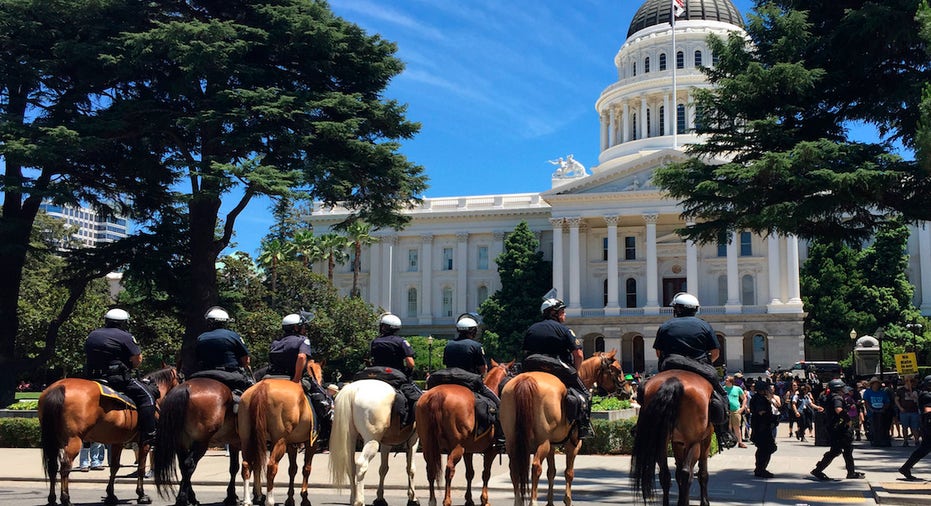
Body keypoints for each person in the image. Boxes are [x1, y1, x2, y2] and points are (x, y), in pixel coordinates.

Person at [653, 292, 736, 449]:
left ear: (676, 309)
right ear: (695, 309)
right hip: (700, 365)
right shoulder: (704, 325)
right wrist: (704, 364)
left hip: (671, 365)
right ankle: (723, 432)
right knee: (721, 395)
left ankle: (641, 426)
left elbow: (659, 353)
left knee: (646, 391)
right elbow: (715, 352)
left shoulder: (665, 326)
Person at [84, 308, 158, 446]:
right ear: (123, 323)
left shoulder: (93, 334)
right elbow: (137, 359)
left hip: (92, 377)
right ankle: (150, 434)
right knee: (146, 396)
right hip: (116, 379)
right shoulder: (126, 336)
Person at [522, 294, 592, 438]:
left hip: (531, 364)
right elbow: (578, 354)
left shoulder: (532, 328)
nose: (564, 314)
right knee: (585, 394)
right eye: (561, 311)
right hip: (555, 365)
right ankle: (584, 428)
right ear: (553, 313)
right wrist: (575, 372)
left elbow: (525, 352)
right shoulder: (564, 330)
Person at [267, 313, 334, 448]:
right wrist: (297, 378)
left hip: (272, 376)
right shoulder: (303, 340)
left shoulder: (276, 342)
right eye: (303, 326)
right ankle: (322, 434)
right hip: (294, 377)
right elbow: (302, 357)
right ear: (297, 328)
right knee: (324, 401)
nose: (305, 329)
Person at [369, 312, 421, 426]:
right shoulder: (401, 342)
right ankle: (407, 422)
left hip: (376, 374)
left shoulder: (375, 342)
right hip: (395, 375)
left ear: (383, 327)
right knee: (416, 398)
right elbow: (411, 363)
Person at [811, 379, 865, 480]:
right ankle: (818, 470)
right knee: (842, 450)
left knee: (840, 450)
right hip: (839, 429)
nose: (844, 389)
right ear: (838, 389)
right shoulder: (837, 398)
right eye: (842, 388)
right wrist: (848, 420)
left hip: (835, 428)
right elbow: (838, 409)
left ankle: (850, 472)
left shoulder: (831, 397)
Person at [192, 306, 254, 394]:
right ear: (226, 322)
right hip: (230, 374)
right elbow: (246, 360)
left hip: (204, 373)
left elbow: (197, 359)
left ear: (209, 322)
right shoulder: (233, 336)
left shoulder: (201, 337)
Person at [899, 374, 931, 480]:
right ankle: (905, 467)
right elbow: (927, 411)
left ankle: (906, 467)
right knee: (924, 448)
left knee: (924, 449)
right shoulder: (926, 395)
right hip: (929, 426)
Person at [749, 381, 780, 478]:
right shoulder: (759, 399)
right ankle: (760, 469)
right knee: (766, 448)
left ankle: (760, 468)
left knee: (766, 448)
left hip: (762, 427)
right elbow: (761, 412)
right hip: (761, 428)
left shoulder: (760, 398)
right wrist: (773, 418)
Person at [863, 376, 893, 447]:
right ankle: (875, 440)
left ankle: (883, 440)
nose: (876, 385)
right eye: (875, 384)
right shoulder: (868, 392)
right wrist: (870, 409)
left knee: (882, 426)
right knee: (873, 427)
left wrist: (884, 409)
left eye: (877, 384)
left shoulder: (882, 392)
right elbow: (866, 402)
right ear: (872, 384)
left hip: (882, 412)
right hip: (872, 412)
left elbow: (887, 402)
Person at [896, 375, 921, 447]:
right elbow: (896, 399)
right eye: (908, 381)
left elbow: (918, 401)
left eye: (912, 381)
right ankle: (905, 441)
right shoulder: (900, 390)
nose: (910, 383)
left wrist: (914, 397)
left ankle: (916, 441)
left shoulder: (916, 390)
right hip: (904, 411)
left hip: (914, 411)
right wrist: (900, 408)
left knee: (915, 427)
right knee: (904, 427)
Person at [724, 376, 748, 448]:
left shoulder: (737, 389)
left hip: (736, 411)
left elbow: (744, 398)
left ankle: (740, 442)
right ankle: (728, 441)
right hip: (726, 411)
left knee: (736, 427)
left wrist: (742, 408)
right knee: (728, 427)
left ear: (731, 382)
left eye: (727, 380)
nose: (725, 381)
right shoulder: (723, 389)